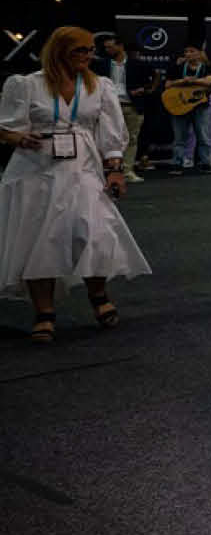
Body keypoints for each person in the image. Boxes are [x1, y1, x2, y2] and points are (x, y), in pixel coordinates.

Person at [0, 28, 150, 341]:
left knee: (93, 231)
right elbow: (6, 128)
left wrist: (115, 170)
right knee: (37, 240)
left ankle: (98, 295)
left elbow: (111, 132)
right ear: (59, 52)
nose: (88, 56)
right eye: (80, 51)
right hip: (36, 170)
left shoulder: (100, 86)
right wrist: (18, 137)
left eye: (90, 50)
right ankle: (44, 313)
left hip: (84, 169)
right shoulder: (27, 84)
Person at [90, 33, 145, 184]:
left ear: (120, 46)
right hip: (108, 108)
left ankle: (127, 171)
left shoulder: (137, 63)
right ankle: (104, 170)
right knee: (104, 138)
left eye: (110, 46)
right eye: (106, 47)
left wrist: (144, 90)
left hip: (131, 105)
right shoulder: (101, 65)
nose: (107, 49)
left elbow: (155, 79)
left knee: (132, 139)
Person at [165, 42, 211, 170]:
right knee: (180, 136)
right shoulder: (177, 68)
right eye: (186, 52)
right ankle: (177, 162)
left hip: (201, 105)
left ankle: (205, 162)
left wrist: (193, 80)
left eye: (191, 51)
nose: (188, 54)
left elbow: (209, 81)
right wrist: (181, 81)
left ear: (199, 53)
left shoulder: (207, 67)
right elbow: (167, 85)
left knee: (203, 135)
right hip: (181, 105)